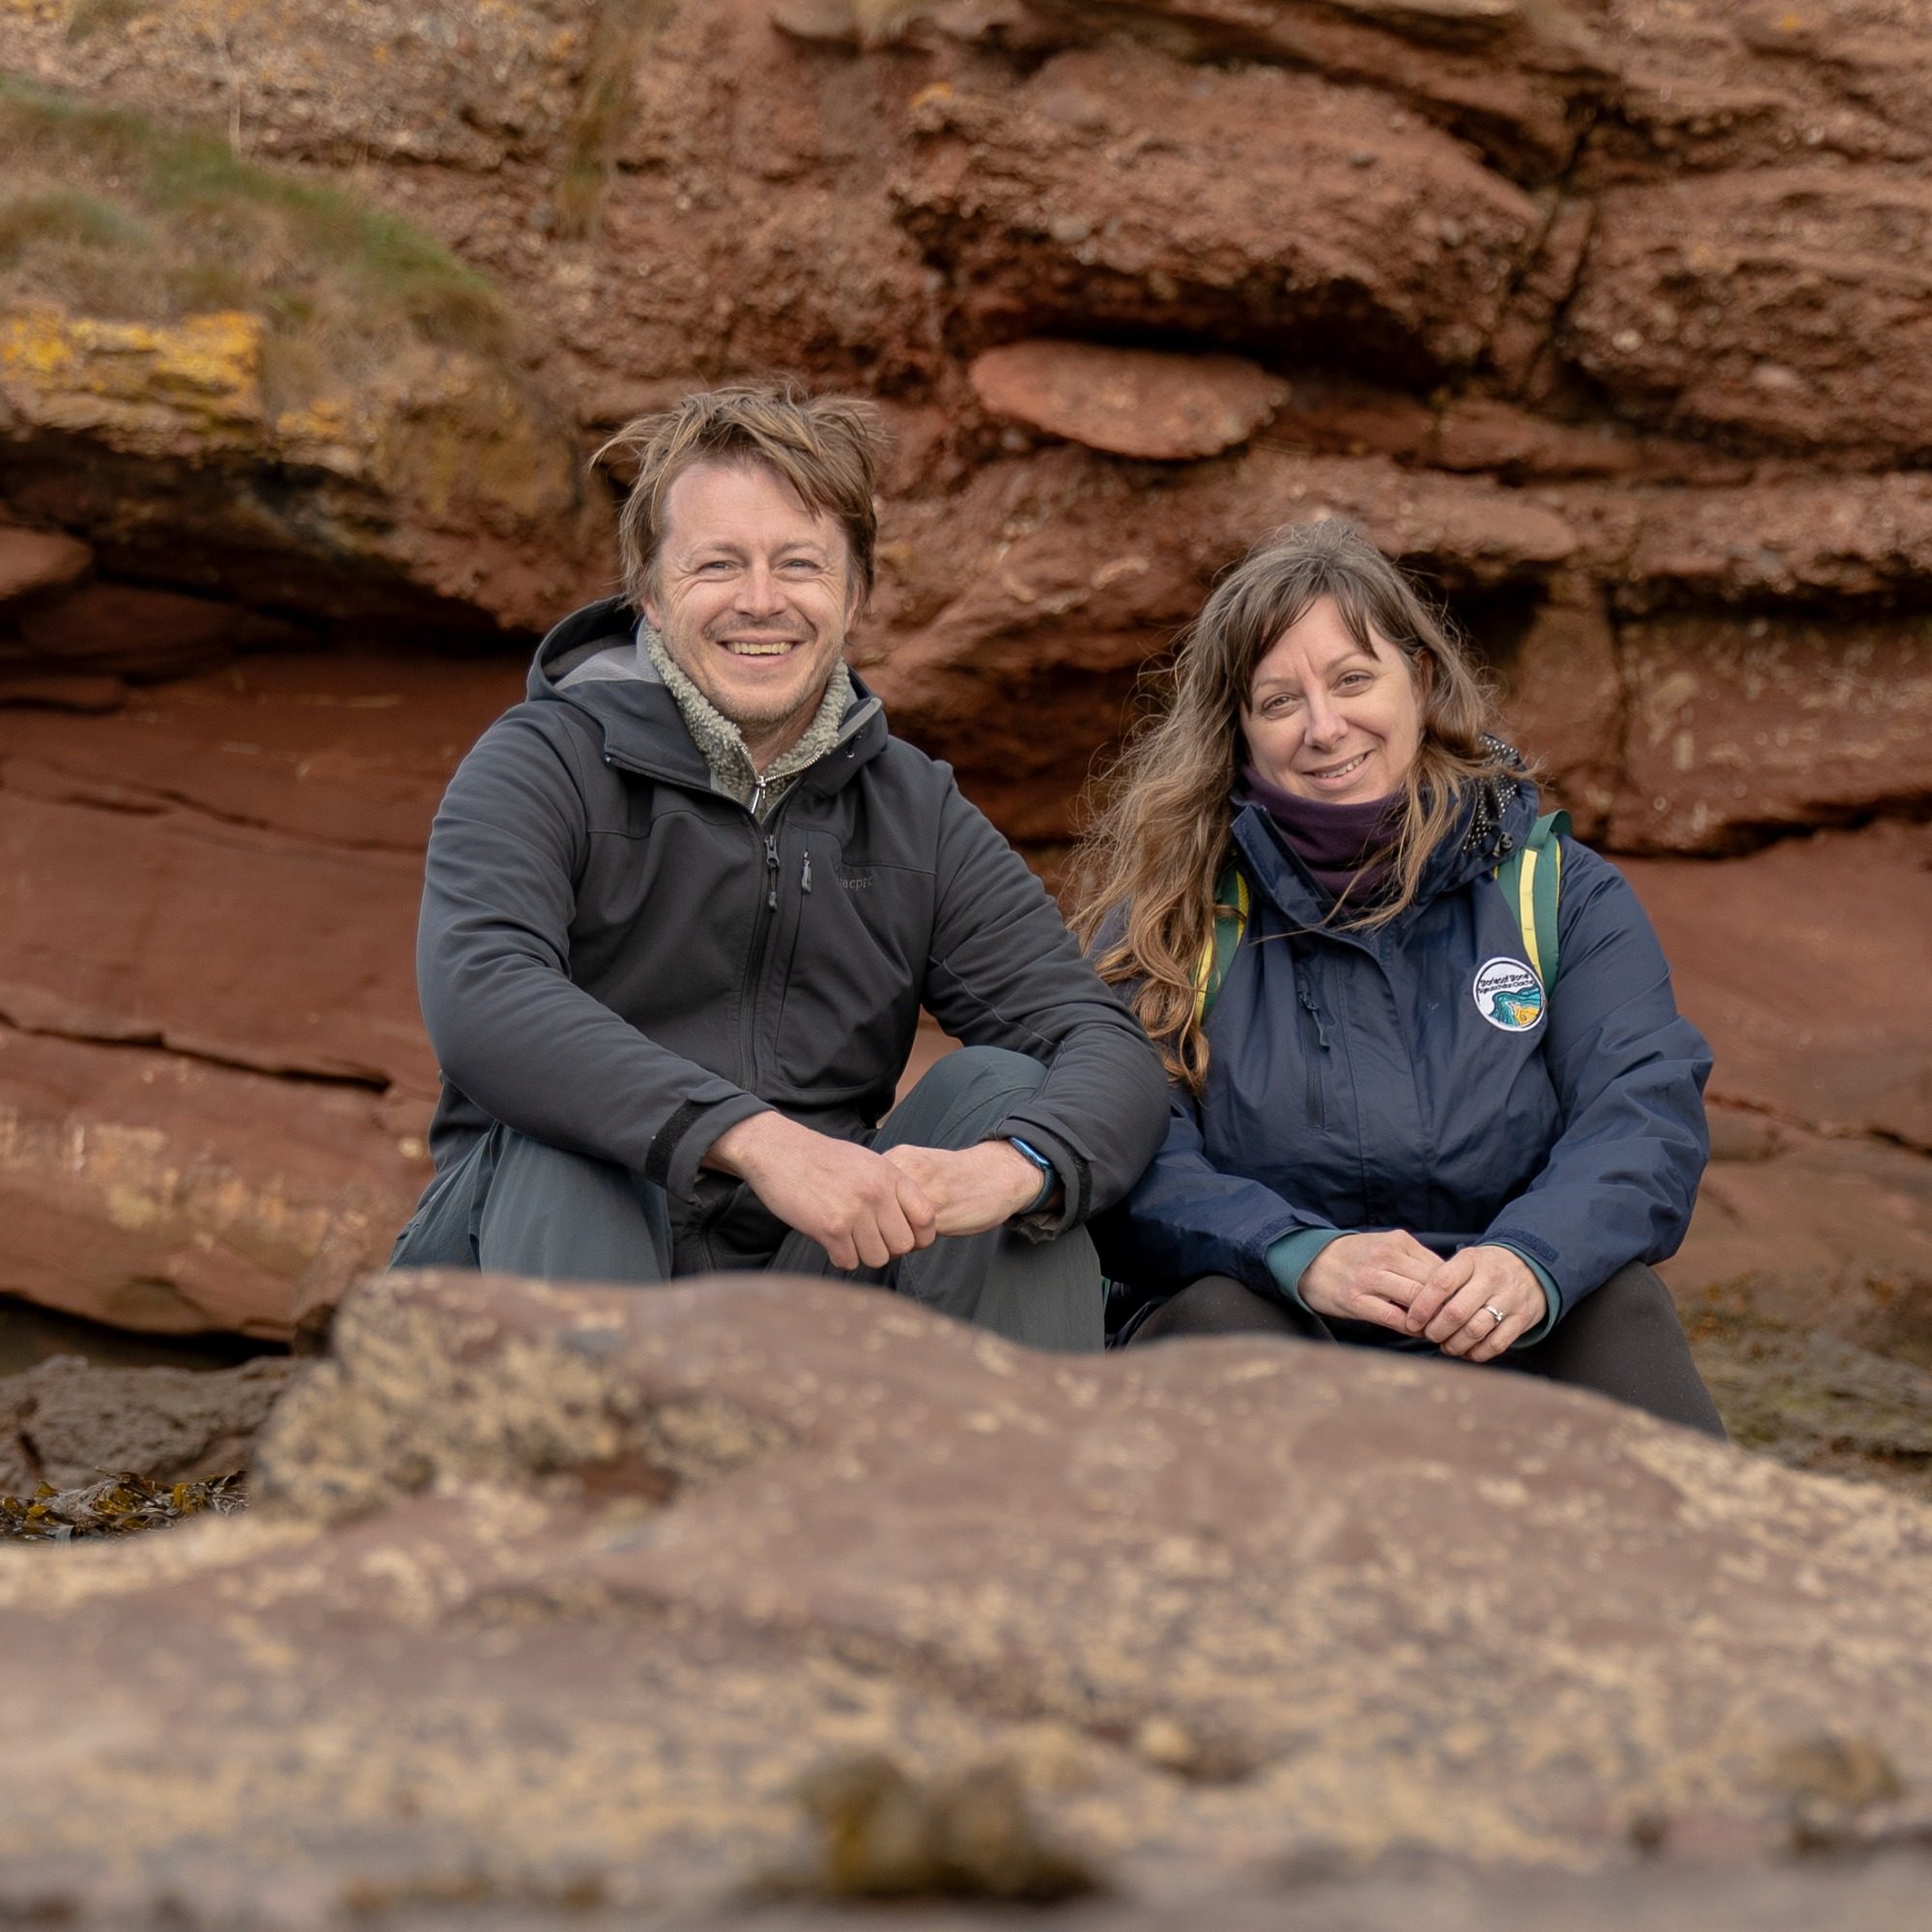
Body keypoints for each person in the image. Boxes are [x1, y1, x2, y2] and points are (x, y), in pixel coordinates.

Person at [389, 384, 1168, 1350]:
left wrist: (1016, 1167)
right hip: (537, 1268)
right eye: (718, 563)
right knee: (567, 1141)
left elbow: (1103, 1045)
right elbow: (483, 993)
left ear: (852, 594)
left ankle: (1009, 1493)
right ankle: (593, 1490)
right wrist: (753, 1139)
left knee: (1006, 1094)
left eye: (798, 564)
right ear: (650, 591)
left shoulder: (910, 809)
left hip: (804, 1293)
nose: (760, 600)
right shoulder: (538, 761)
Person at [1073, 519, 1725, 1433]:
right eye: (1278, 701)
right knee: (1218, 1323)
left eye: (1352, 678)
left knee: (1620, 1307)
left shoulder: (1556, 891)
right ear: (1239, 734)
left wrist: (1532, 1262)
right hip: (1274, 1308)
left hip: (1502, 1314)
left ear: (1419, 681)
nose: (1325, 726)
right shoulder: (1170, 919)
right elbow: (1122, 1152)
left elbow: (1644, 1110)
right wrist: (1294, 1251)